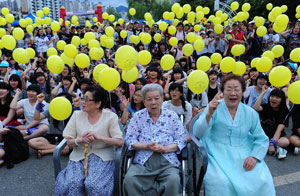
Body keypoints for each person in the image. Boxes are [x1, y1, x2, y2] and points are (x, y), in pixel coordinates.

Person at [193, 74, 275, 196]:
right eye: (229, 89)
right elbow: (197, 133)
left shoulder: (250, 113)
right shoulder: (214, 107)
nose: (233, 93)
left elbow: (261, 138)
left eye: (237, 89)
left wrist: (254, 156)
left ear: (243, 91)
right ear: (222, 92)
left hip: (244, 151)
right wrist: (209, 113)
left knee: (261, 179)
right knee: (220, 182)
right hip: (217, 151)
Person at [54, 85, 123, 196]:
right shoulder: (76, 115)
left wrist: (99, 137)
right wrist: (80, 140)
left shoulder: (110, 117)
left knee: (94, 185)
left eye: (86, 99)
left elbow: (119, 141)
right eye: (82, 98)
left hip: (102, 157)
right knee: (73, 183)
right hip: (79, 156)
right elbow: (69, 141)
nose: (82, 102)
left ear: (98, 103)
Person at [123, 84, 187, 196]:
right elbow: (129, 139)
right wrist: (146, 146)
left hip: (167, 161)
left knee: (173, 180)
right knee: (130, 180)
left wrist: (166, 148)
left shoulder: (172, 116)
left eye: (157, 98)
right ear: (144, 101)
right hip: (143, 162)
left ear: (162, 99)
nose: (153, 102)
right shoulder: (137, 117)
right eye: (149, 99)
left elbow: (181, 139)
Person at [28, 92, 74, 158]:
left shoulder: (73, 112)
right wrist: (39, 103)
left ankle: (45, 151)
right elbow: (37, 117)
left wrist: (67, 144)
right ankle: (59, 148)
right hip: (51, 137)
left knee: (72, 146)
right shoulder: (52, 109)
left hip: (65, 139)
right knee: (31, 142)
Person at [253, 88, 290, 159]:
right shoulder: (265, 106)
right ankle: (278, 149)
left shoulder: (285, 112)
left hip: (276, 136)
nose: (273, 99)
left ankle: (266, 146)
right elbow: (256, 108)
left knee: (285, 142)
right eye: (272, 96)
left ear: (282, 100)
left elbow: (279, 130)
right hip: (263, 135)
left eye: (277, 97)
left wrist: (272, 144)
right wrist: (263, 93)